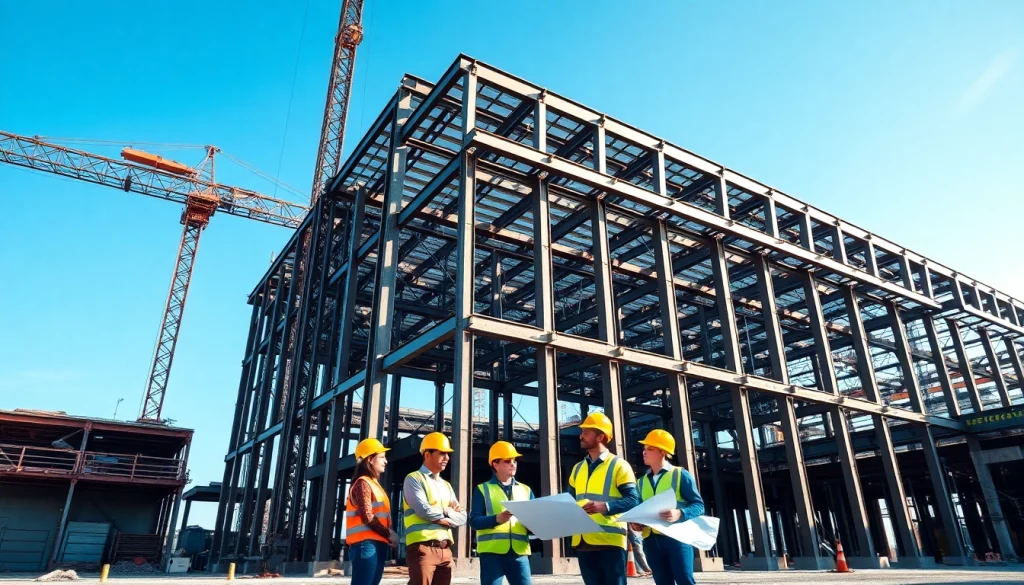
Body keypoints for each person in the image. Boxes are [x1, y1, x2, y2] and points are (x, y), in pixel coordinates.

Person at [566, 412, 639, 585]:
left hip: (610, 542)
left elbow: (633, 500)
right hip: (583, 542)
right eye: (582, 431)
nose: (581, 436)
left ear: (600, 436)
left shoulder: (619, 465)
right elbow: (568, 502)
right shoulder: (577, 469)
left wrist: (605, 506)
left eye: (586, 432)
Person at [630, 429, 705, 585]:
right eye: (644, 449)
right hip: (651, 541)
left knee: (685, 580)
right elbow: (640, 510)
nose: (644, 452)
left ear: (662, 452)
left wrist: (680, 513)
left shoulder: (680, 475)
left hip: (677, 538)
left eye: (649, 449)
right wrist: (636, 524)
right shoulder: (641, 482)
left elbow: (699, 506)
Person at [402, 432, 467, 585]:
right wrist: (448, 511)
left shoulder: (446, 485)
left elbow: (463, 517)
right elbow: (424, 511)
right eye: (442, 453)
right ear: (427, 454)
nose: (447, 458)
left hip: (445, 551)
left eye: (448, 454)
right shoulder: (414, 479)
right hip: (423, 548)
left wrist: (446, 514)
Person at [470, 441, 535, 585]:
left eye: (514, 461)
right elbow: (474, 521)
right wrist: (496, 519)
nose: (513, 464)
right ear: (495, 465)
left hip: (519, 554)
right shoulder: (482, 489)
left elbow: (535, 521)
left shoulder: (526, 490)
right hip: (492, 555)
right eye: (507, 461)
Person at [345, 438, 400, 585]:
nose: (386, 461)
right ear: (370, 459)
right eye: (382, 457)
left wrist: (389, 534)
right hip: (366, 545)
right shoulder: (363, 483)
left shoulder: (374, 484)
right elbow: (368, 516)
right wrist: (390, 534)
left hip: (376, 544)